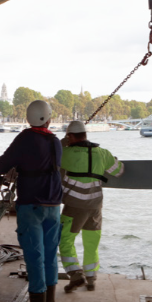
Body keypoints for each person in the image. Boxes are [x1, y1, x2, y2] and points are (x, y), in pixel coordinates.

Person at [0, 100, 62, 302]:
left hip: (32, 206)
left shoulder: (25, 138)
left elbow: (5, 160)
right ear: (48, 118)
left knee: (34, 259)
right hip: (54, 206)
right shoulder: (55, 141)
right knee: (50, 256)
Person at [59, 120, 124, 292]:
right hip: (95, 206)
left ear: (70, 136)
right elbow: (119, 171)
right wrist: (113, 160)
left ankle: (74, 274)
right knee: (91, 242)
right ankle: (91, 278)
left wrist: (62, 143)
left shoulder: (65, 153)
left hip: (74, 206)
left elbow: (48, 157)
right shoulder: (102, 153)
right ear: (86, 135)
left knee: (65, 240)